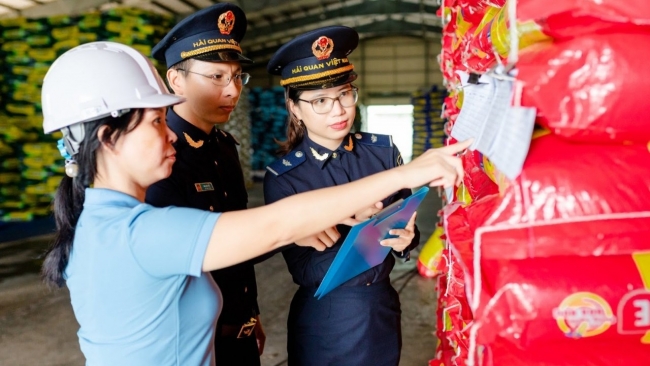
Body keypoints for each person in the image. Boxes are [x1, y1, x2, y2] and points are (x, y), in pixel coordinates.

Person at [40, 41, 470, 365]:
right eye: (155, 122)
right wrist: (408, 173)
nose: (170, 132)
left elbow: (266, 235)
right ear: (108, 139)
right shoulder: (140, 234)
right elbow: (275, 225)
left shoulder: (103, 223)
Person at [263, 26, 425, 365]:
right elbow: (304, 270)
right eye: (320, 101)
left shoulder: (381, 153)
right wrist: (346, 226)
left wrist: (406, 240)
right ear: (295, 108)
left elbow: (405, 220)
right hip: (327, 318)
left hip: (381, 309)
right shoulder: (286, 177)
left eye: (344, 94)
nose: (337, 111)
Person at [146, 4, 264, 364]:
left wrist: (250, 315)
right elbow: (197, 249)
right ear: (176, 80)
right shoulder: (160, 158)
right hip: (195, 346)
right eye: (216, 77)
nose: (232, 91)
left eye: (237, 76)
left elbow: (238, 260)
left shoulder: (223, 149)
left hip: (240, 335)